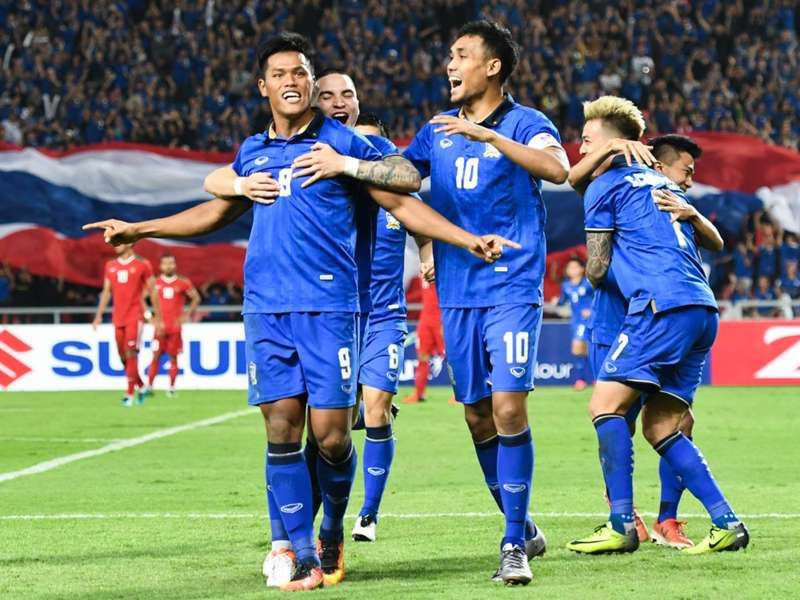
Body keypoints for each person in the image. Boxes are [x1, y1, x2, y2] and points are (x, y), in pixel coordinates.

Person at [84, 32, 516, 592]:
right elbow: (214, 211)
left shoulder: (340, 142)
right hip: (266, 309)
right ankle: (303, 554)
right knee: (281, 428)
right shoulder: (253, 152)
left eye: (300, 73)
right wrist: (141, 229)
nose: (291, 81)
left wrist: (462, 238)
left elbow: (406, 191)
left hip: (330, 309)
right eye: (280, 74)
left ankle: (331, 527)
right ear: (263, 87)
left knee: (332, 437)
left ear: (311, 82)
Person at [403, 20, 570, 585]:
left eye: (461, 55)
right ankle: (524, 526)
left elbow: (558, 169)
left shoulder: (527, 123)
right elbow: (401, 183)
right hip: (456, 292)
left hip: (511, 285)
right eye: (449, 55)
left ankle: (512, 545)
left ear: (493, 66)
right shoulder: (436, 129)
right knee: (476, 414)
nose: (450, 65)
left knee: (508, 410)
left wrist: (490, 138)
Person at [565, 95, 748, 556]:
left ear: (612, 143)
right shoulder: (664, 187)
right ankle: (726, 522)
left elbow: (596, 269)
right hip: (701, 309)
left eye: (587, 140)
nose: (581, 148)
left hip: (655, 307)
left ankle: (621, 524)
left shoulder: (605, 186)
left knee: (605, 407)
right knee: (664, 425)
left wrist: (615, 261)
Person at [91, 244, 161, 407]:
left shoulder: (143, 264)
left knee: (130, 353)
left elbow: (152, 290)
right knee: (122, 356)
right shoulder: (111, 265)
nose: (116, 245)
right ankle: (141, 386)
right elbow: (106, 291)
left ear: (130, 243)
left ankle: (129, 394)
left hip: (135, 316)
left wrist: (157, 316)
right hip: (118, 317)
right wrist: (98, 315)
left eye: (120, 241)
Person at [143, 254, 200, 397]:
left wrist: (187, 315)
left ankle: (172, 387)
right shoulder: (155, 282)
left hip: (174, 328)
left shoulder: (183, 282)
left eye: (171, 263)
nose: (168, 266)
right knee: (155, 356)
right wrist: (149, 317)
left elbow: (196, 298)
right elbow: (140, 298)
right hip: (159, 328)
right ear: (160, 266)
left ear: (175, 265)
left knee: (173, 357)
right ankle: (149, 386)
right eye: (165, 263)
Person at [403, 267, 447, 405]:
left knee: (451, 357)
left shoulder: (442, 269)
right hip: (425, 319)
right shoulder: (422, 270)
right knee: (422, 356)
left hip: (440, 319)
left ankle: (460, 394)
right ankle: (419, 393)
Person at [554, 258, 592, 390]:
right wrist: (557, 302)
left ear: (582, 269)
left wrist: (591, 309)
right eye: (570, 268)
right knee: (581, 349)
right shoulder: (566, 285)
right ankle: (586, 379)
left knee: (579, 346)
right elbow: (563, 300)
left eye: (576, 267)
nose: (573, 270)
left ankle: (582, 379)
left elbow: (599, 297)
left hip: (588, 320)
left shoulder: (588, 283)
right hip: (575, 320)